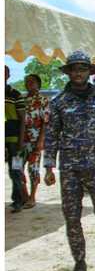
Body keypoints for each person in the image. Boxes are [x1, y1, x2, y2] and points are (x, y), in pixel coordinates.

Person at [42, 51, 95, 271]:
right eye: (74, 69)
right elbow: (52, 135)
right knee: (72, 217)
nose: (78, 73)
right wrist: (48, 166)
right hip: (70, 169)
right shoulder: (58, 103)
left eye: (82, 69)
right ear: (69, 72)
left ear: (89, 72)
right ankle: (80, 262)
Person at [19, 73, 50, 208]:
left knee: (33, 169)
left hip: (35, 140)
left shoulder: (43, 100)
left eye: (31, 81)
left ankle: (32, 197)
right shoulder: (22, 100)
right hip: (20, 141)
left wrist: (41, 141)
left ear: (38, 84)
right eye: (27, 81)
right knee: (16, 168)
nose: (28, 84)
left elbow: (45, 122)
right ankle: (24, 195)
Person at [5, 66, 28, 213]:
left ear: (8, 75)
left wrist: (21, 140)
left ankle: (18, 200)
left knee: (15, 169)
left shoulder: (15, 94)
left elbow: (23, 119)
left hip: (13, 139)